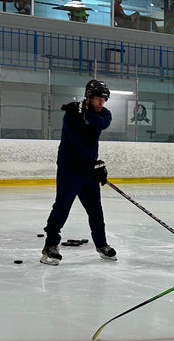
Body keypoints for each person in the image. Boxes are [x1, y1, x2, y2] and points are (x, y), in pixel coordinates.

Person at [41, 79, 117, 265]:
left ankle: (101, 244)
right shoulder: (72, 115)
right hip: (70, 170)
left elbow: (104, 122)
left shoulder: (100, 113)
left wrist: (95, 166)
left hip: (88, 170)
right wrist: (93, 164)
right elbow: (76, 143)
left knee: (96, 210)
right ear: (89, 97)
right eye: (98, 99)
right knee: (62, 207)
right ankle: (50, 246)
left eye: (104, 99)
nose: (101, 103)